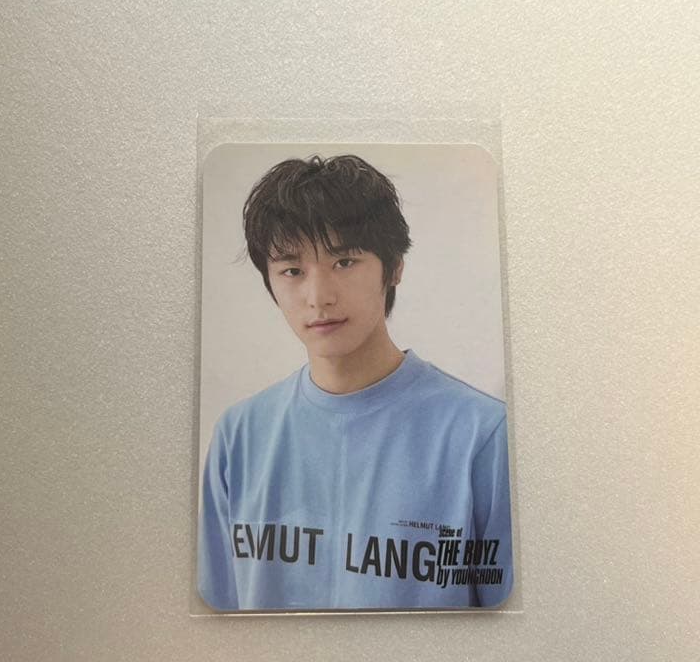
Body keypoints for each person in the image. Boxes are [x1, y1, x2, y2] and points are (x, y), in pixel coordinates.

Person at [197, 154, 513, 611]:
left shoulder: (481, 436)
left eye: (344, 261)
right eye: (292, 271)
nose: (318, 297)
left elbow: (513, 635)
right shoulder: (238, 437)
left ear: (395, 266)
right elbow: (212, 630)